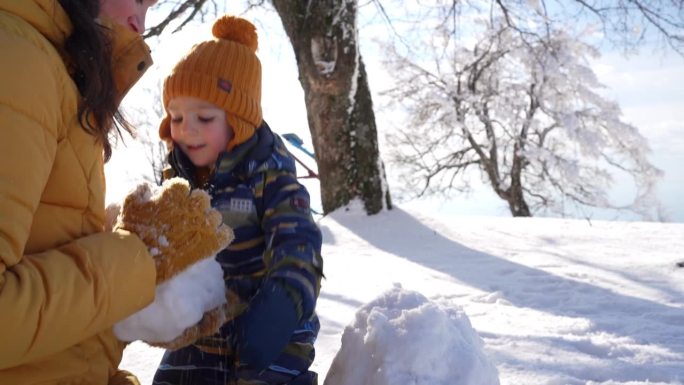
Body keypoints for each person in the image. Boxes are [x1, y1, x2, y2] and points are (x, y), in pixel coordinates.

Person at [0, 1, 227, 384]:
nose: (142, 20)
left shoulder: (52, 71)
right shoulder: (18, 61)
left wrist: (147, 303)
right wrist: (139, 260)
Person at [151, 15, 325, 385]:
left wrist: (283, 302)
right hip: (203, 328)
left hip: (271, 327)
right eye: (177, 116)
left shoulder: (268, 176)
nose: (187, 128)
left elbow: (299, 243)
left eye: (204, 116)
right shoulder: (176, 182)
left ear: (239, 121)